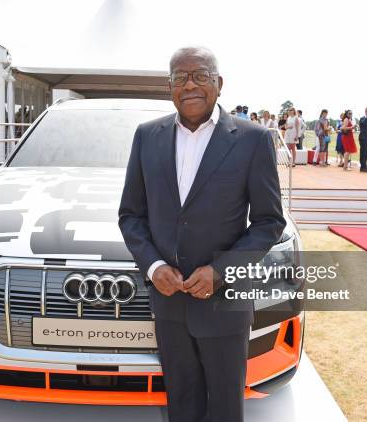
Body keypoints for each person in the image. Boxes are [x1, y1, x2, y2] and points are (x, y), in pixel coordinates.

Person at [118, 46, 286, 422]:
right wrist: (153, 265)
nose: (190, 85)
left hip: (224, 303)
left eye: (200, 76)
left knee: (226, 407)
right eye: (180, 77)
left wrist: (220, 271)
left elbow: (268, 222)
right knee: (181, 402)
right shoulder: (147, 136)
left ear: (219, 84)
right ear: (170, 86)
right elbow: (131, 215)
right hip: (169, 303)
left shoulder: (253, 139)